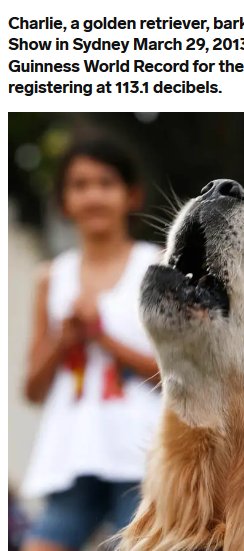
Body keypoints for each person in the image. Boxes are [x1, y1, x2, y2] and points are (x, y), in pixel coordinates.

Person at [21, 137, 163, 551]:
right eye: (80, 185)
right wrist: (64, 339)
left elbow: (178, 375)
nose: (93, 195)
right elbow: (32, 388)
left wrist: (102, 336)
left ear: (131, 194)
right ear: (64, 201)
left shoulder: (155, 265)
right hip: (72, 453)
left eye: (106, 182)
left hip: (143, 455)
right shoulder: (52, 278)